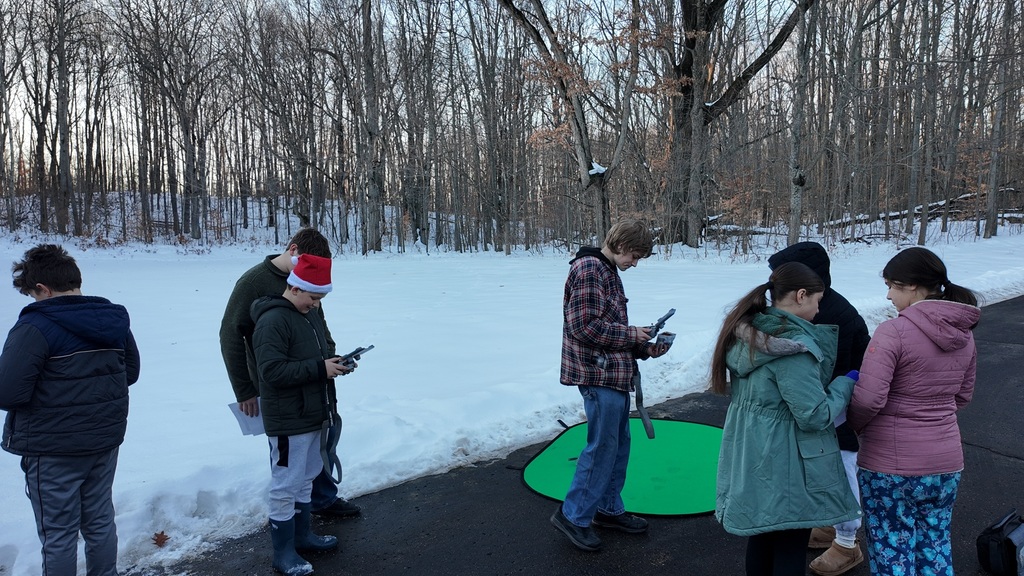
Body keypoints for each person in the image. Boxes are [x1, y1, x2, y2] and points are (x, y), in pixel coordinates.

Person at [712, 261, 861, 576]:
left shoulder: (751, 334)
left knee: (763, 536)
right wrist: (844, 383)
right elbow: (813, 415)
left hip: (751, 452)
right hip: (786, 462)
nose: (819, 312)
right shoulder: (791, 349)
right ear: (801, 295)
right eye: (817, 302)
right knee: (791, 542)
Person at [0, 244, 141, 575]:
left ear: (43, 289)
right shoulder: (112, 320)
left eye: (33, 295)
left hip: (52, 450)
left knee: (59, 534)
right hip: (103, 441)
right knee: (100, 520)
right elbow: (129, 372)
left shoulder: (35, 327)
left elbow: (7, 391)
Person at [847, 247, 979, 576]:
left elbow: (868, 399)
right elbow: (962, 396)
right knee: (934, 544)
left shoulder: (892, 332)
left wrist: (856, 426)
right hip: (946, 464)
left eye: (893, 285)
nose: (889, 295)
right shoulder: (964, 335)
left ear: (914, 287)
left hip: (889, 467)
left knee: (892, 546)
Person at [219, 228, 360, 518]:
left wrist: (330, 359)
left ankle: (321, 499)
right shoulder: (254, 283)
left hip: (314, 379)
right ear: (293, 250)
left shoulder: (311, 283)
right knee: (290, 452)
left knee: (322, 438)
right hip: (279, 384)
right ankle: (291, 520)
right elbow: (231, 335)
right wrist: (244, 389)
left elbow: (318, 322)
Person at [550, 220, 671, 552]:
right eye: (634, 255)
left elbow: (608, 328)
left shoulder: (606, 270)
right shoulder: (590, 268)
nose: (635, 263)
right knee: (602, 448)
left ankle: (607, 509)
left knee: (616, 448)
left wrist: (643, 347)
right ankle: (573, 516)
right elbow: (584, 327)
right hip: (596, 376)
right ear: (620, 244)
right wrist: (631, 334)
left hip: (612, 376)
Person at [769, 242, 870, 576]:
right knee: (821, 470)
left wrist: (827, 405)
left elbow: (838, 370)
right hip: (820, 402)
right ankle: (830, 525)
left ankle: (846, 542)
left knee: (841, 468)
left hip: (837, 406)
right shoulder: (806, 307)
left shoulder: (836, 316)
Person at [252, 253, 352, 576]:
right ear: (295, 288)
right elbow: (271, 372)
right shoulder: (272, 320)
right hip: (288, 421)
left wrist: (334, 364)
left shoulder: (305, 315)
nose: (316, 304)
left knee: (306, 479)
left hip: (313, 416)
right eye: (313, 297)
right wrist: (320, 369)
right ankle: (282, 552)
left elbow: (312, 360)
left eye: (321, 298)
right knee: (286, 485)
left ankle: (303, 536)